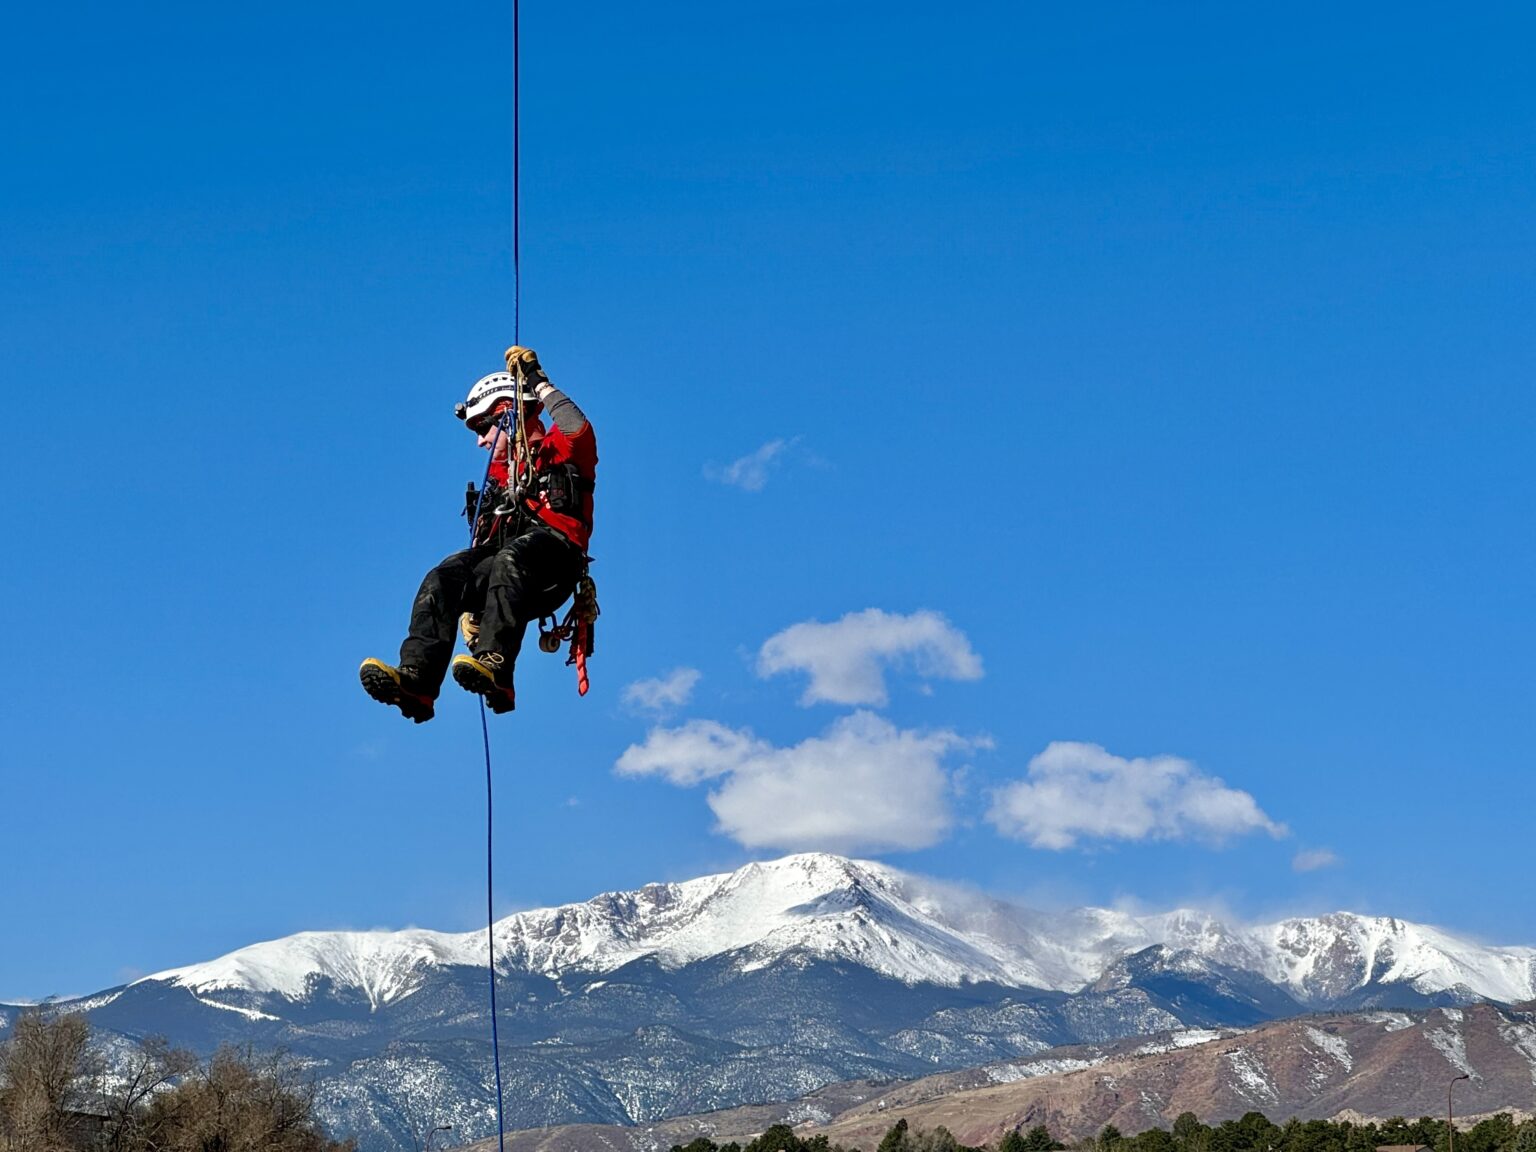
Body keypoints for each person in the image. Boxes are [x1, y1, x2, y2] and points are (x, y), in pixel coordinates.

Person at [359, 346, 596, 720]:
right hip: (511, 572)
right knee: (444, 575)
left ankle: (497, 667)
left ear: (507, 414)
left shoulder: (562, 449)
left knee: (512, 556)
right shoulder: (499, 477)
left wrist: (536, 380)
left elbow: (575, 424)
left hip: (555, 561)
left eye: (483, 428)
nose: (480, 442)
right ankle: (418, 681)